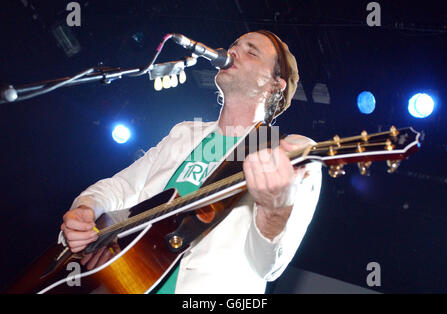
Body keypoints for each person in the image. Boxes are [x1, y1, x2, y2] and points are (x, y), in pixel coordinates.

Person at [59, 30, 322, 293]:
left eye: (251, 52)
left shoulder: (288, 151)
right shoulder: (184, 133)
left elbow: (269, 266)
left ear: (276, 84)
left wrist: (275, 210)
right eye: (234, 45)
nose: (232, 52)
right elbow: (121, 188)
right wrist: (86, 208)